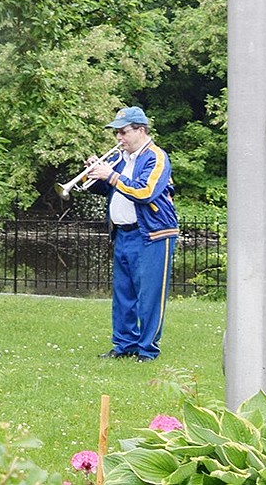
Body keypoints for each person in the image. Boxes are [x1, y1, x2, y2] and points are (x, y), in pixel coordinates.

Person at [86, 105, 179, 362]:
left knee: (149, 295)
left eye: (123, 132)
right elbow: (107, 190)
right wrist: (96, 174)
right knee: (123, 294)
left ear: (141, 130)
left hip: (152, 234)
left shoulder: (156, 157)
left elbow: (145, 191)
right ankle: (125, 345)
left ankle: (147, 350)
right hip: (124, 234)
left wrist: (112, 176)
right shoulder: (121, 159)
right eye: (116, 133)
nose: (119, 138)